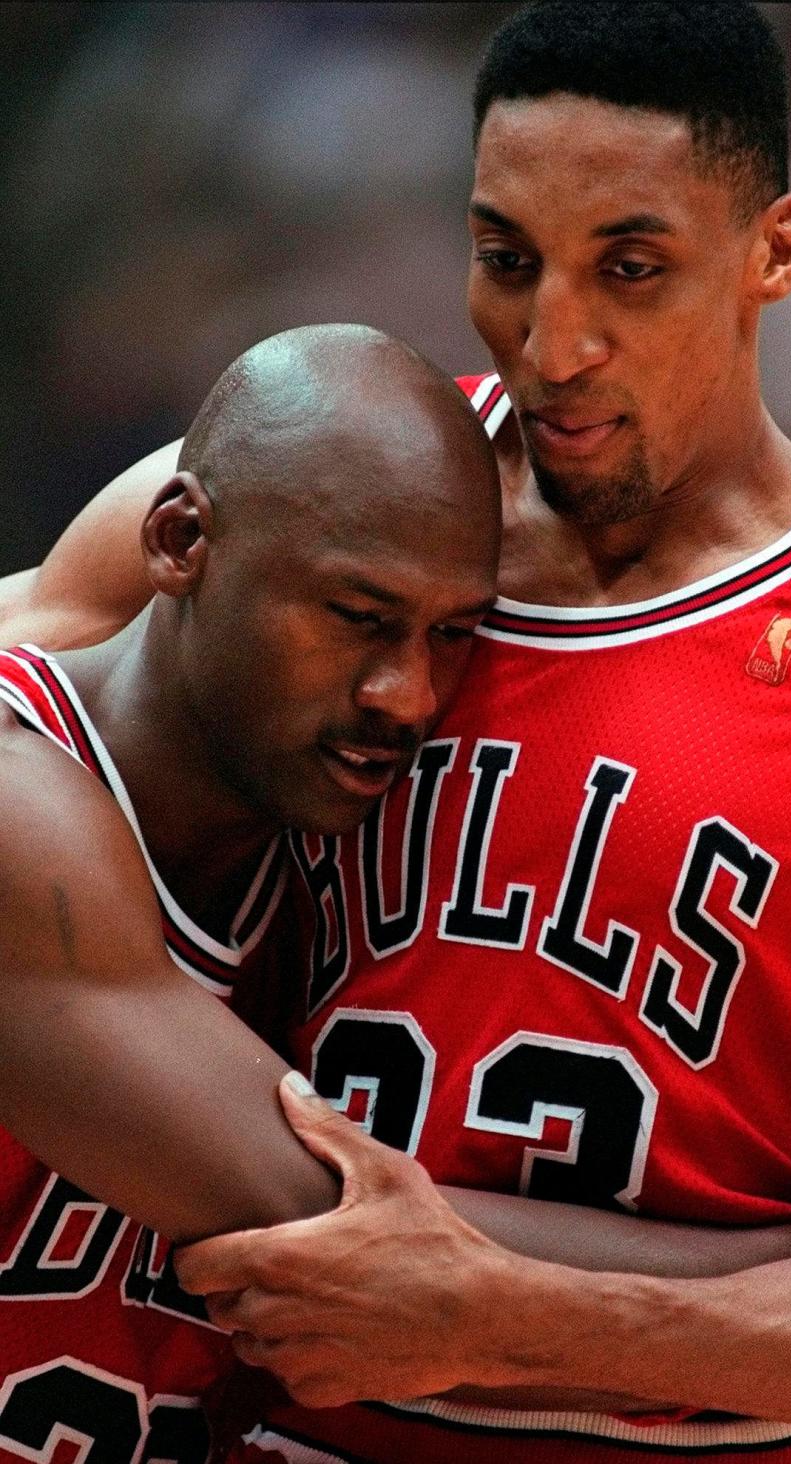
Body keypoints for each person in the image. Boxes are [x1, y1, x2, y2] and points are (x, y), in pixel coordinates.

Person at [1, 3, 791, 1463]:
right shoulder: (328, 488)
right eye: (508, 260)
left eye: (629, 268)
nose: (551, 341)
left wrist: (522, 1316)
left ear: (777, 249)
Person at [0, 321, 508, 1458]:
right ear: (180, 544)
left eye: (453, 634)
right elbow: (367, 1250)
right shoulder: (16, 801)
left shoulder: (313, 846)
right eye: (358, 618)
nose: (407, 695)